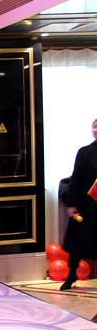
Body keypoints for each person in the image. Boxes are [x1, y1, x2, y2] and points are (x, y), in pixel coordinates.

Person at [61, 118, 97, 290]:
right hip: (87, 204)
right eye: (95, 126)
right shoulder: (84, 152)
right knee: (78, 242)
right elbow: (76, 179)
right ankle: (71, 274)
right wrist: (71, 204)